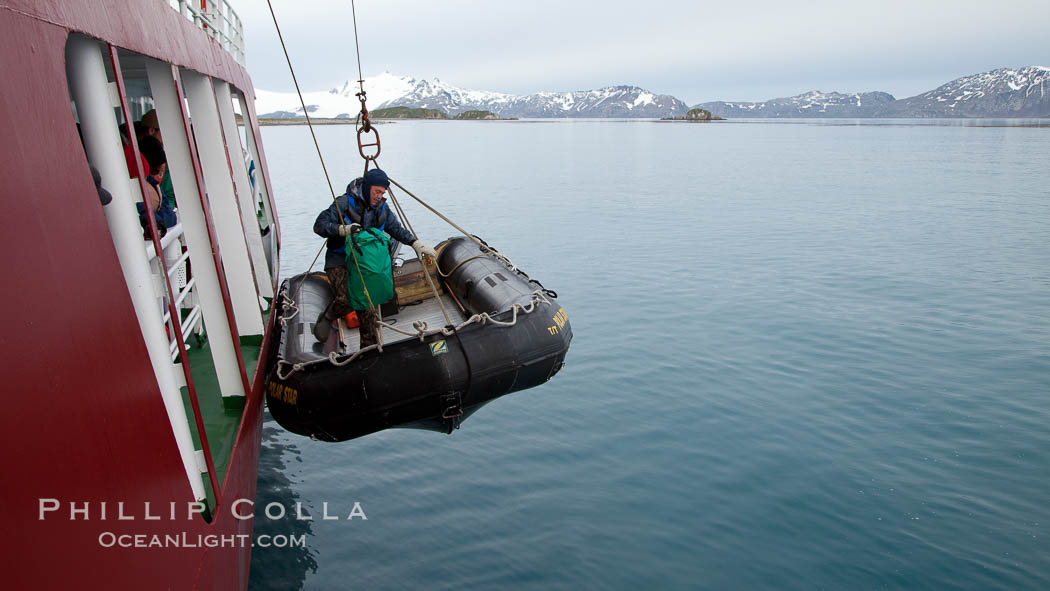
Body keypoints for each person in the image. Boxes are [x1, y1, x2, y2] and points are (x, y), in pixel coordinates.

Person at [313, 168, 436, 346]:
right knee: (346, 299)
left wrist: (415, 243)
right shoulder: (344, 203)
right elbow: (319, 225)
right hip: (340, 259)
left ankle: (369, 349)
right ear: (367, 187)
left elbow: (396, 229)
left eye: (382, 192)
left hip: (366, 262)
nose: (380, 196)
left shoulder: (382, 209)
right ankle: (329, 316)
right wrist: (341, 230)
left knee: (367, 305)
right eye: (377, 191)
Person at [136, 135, 177, 236]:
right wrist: (158, 219)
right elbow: (145, 215)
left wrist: (158, 219)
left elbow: (171, 217)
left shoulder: (152, 182)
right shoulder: (135, 186)